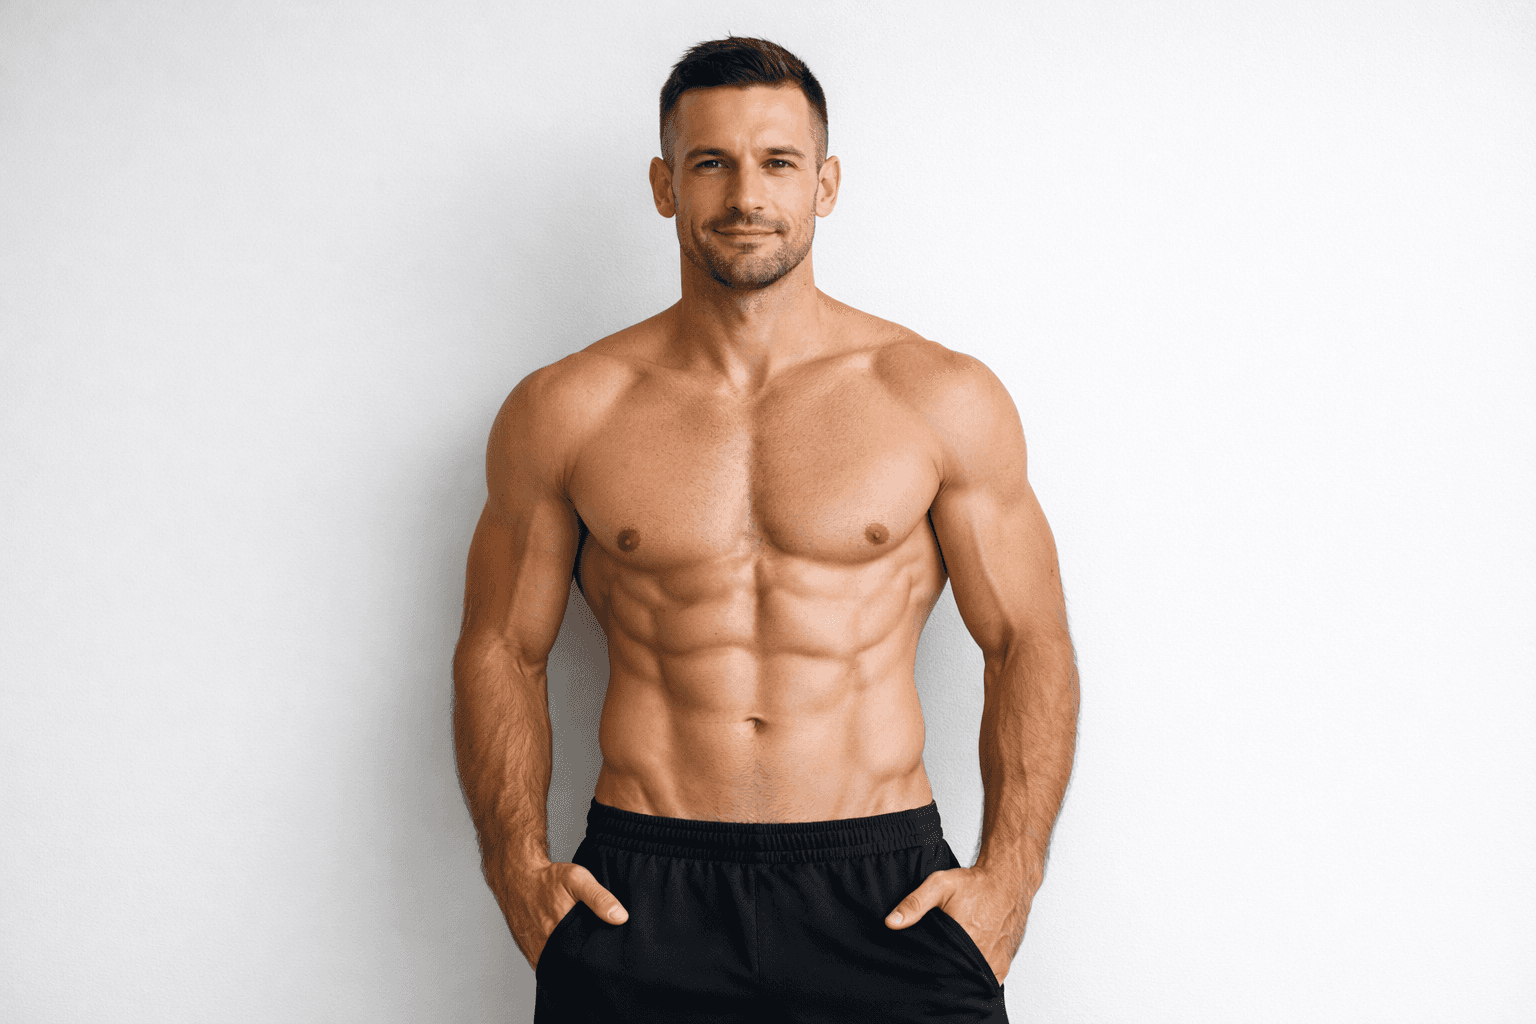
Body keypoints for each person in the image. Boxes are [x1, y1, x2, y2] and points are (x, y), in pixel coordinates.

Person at [452, 36, 1079, 1023]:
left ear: (824, 184)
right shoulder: (569, 408)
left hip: (885, 894)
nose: (747, 195)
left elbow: (1028, 638)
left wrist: (1011, 878)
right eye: (712, 162)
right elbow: (501, 647)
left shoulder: (936, 396)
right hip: (643, 891)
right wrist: (516, 871)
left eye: (779, 162)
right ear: (665, 185)